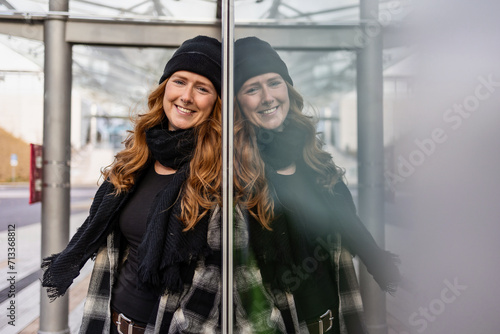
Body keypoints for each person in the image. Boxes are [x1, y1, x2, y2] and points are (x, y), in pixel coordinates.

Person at [41, 35, 223, 334]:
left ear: (216, 101)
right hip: (111, 321)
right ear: (165, 88)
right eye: (179, 81)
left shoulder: (220, 173)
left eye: (202, 88)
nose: (186, 96)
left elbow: (218, 274)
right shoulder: (136, 160)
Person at [232, 36, 401, 333]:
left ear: (288, 89)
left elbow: (348, 226)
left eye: (274, 82)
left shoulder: (315, 162)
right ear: (238, 102)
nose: (268, 97)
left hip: (336, 319)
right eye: (252, 88)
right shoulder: (234, 174)